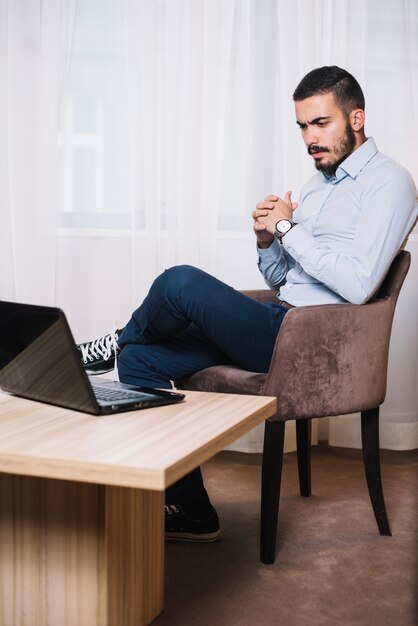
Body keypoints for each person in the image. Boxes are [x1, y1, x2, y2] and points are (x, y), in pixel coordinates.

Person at [77, 66, 417, 543]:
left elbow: (360, 285)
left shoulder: (391, 183)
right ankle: (194, 510)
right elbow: (284, 279)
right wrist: (266, 242)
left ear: (356, 118)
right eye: (302, 126)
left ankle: (113, 340)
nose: (309, 138)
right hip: (276, 321)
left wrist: (287, 229)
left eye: (320, 123)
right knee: (142, 360)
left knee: (179, 282)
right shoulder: (318, 183)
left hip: (309, 343)